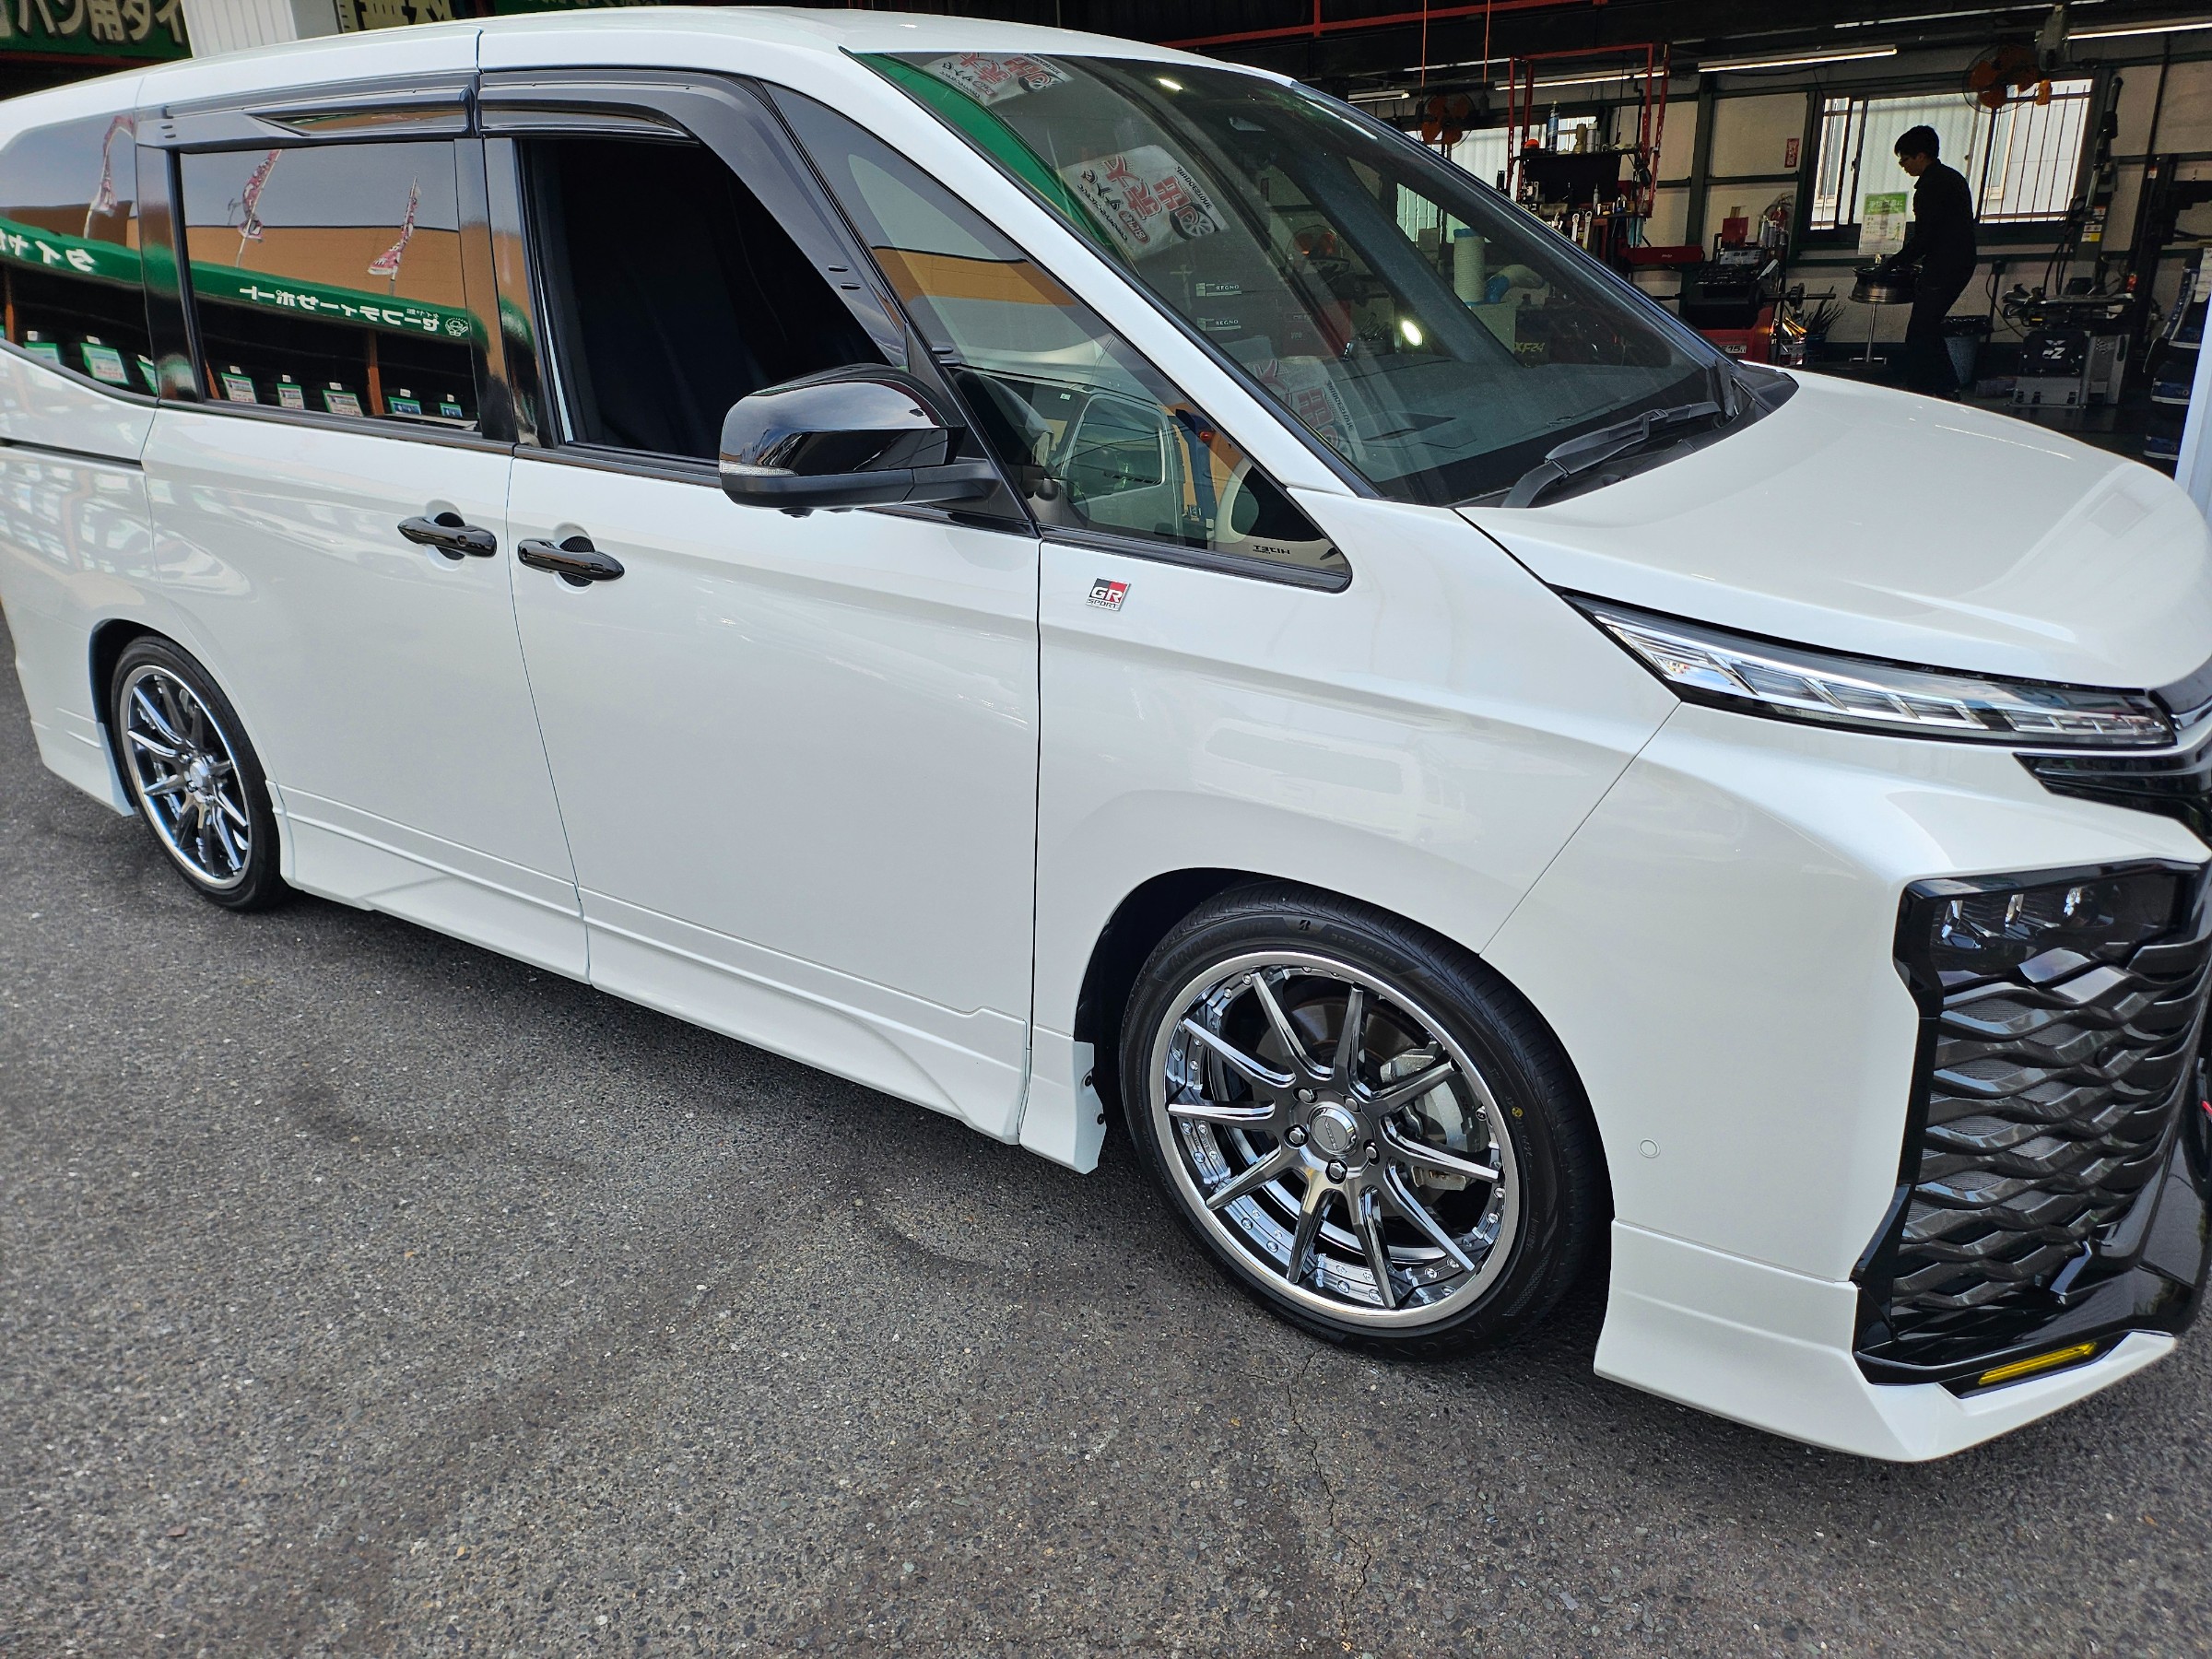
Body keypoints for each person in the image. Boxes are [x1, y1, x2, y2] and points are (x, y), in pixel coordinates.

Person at [1885, 125, 1978, 398]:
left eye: (1905, 159)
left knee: (1921, 331)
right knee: (1927, 328)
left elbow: (1925, 237)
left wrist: (1892, 264)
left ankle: (1932, 389)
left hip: (1945, 265)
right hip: (1959, 262)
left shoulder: (1930, 186)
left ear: (1921, 156)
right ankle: (1940, 388)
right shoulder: (1952, 178)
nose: (1902, 165)